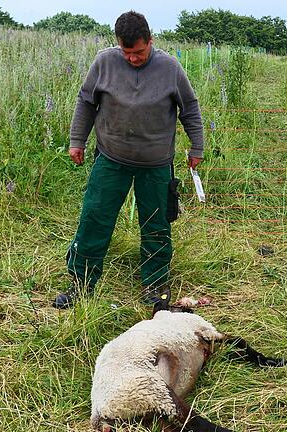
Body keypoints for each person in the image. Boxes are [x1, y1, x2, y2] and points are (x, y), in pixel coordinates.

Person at [54, 11, 204, 310]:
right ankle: (81, 284)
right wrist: (76, 141)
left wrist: (196, 147)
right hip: (111, 158)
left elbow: (189, 108)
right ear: (118, 45)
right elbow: (86, 102)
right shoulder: (105, 62)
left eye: (139, 52)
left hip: (156, 163)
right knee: (95, 218)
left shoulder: (170, 68)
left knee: (156, 225)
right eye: (127, 52)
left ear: (151, 41)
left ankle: (155, 285)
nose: (133, 59)